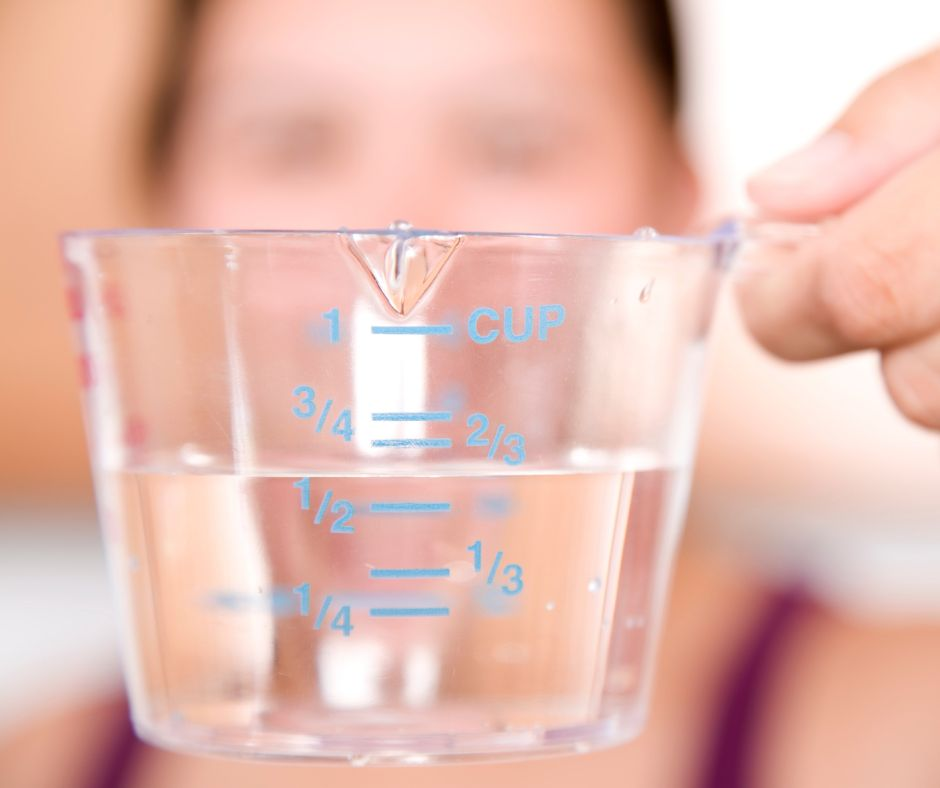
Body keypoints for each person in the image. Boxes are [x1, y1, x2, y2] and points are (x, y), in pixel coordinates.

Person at [3, 1, 940, 787]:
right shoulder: (35, 764)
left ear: (674, 220)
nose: (398, 233)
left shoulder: (903, 733)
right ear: (164, 213)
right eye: (292, 140)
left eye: (515, 142)